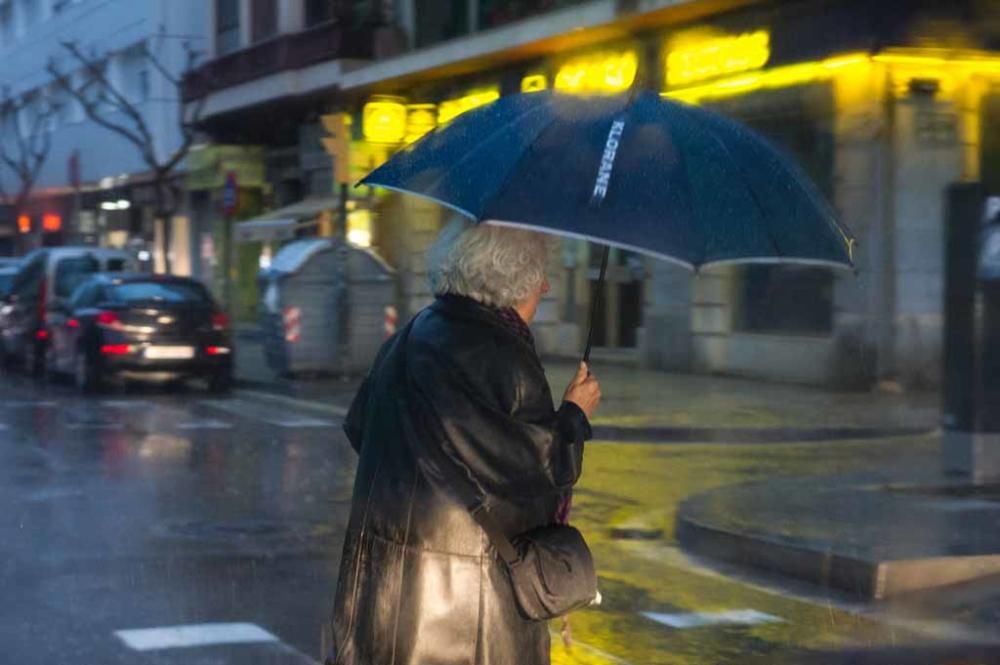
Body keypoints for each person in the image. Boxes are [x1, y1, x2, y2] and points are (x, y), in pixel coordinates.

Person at [327, 219, 601, 665]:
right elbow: (537, 474)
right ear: (514, 282)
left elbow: (362, 430)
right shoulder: (507, 359)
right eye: (540, 276)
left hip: (382, 594)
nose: (547, 286)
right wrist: (574, 416)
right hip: (467, 611)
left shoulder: (406, 338)